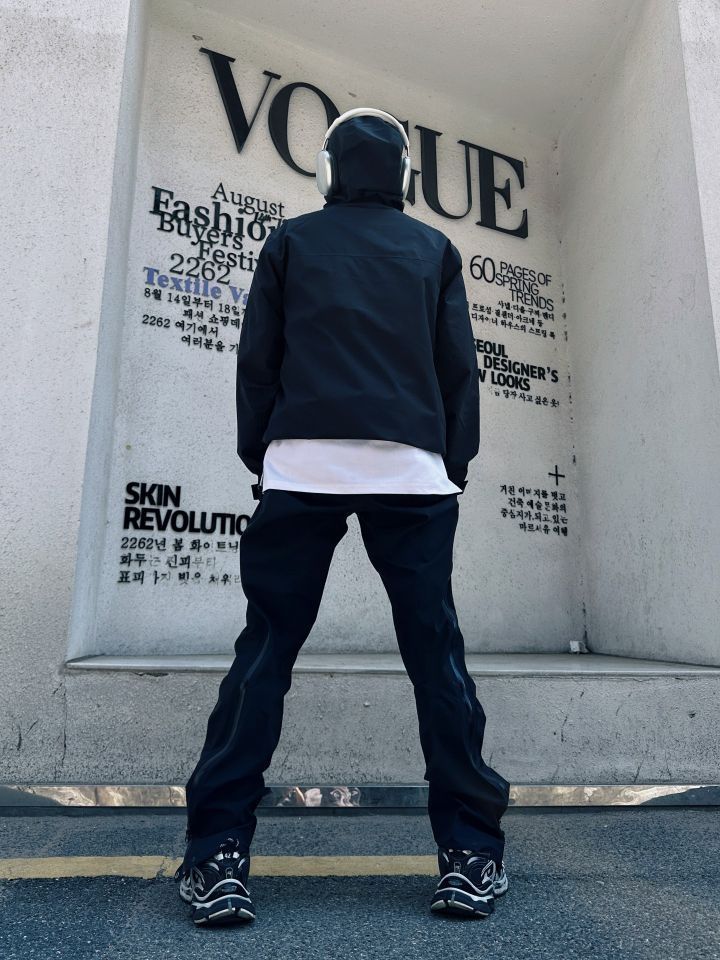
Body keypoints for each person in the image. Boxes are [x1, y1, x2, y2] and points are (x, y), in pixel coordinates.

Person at [174, 107, 511, 925]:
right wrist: (451, 464)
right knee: (436, 660)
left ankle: (217, 854)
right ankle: (470, 854)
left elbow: (258, 362)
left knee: (265, 655)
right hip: (413, 471)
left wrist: (264, 456)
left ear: (328, 169)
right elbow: (458, 369)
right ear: (403, 175)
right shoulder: (433, 248)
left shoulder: (290, 241)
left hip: (303, 464)